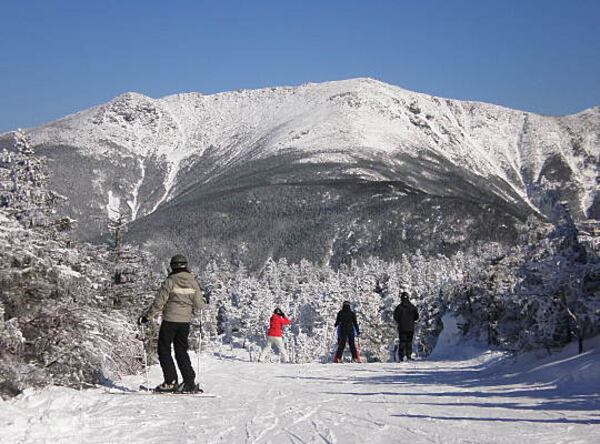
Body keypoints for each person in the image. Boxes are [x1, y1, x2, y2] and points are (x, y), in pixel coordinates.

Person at [138, 254, 205, 393]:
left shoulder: (170, 281)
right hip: (185, 322)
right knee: (181, 352)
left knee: (164, 350)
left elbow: (159, 302)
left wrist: (147, 317)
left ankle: (170, 381)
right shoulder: (193, 282)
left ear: (173, 266)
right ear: (185, 266)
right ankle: (189, 382)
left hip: (170, 320)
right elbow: (199, 304)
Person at [393, 291, 419, 361]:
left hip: (402, 327)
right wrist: (411, 320)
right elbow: (417, 316)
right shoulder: (412, 307)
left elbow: (395, 317)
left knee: (402, 342)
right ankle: (408, 355)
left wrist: (400, 321)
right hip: (410, 327)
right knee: (409, 342)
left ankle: (401, 356)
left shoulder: (399, 307)